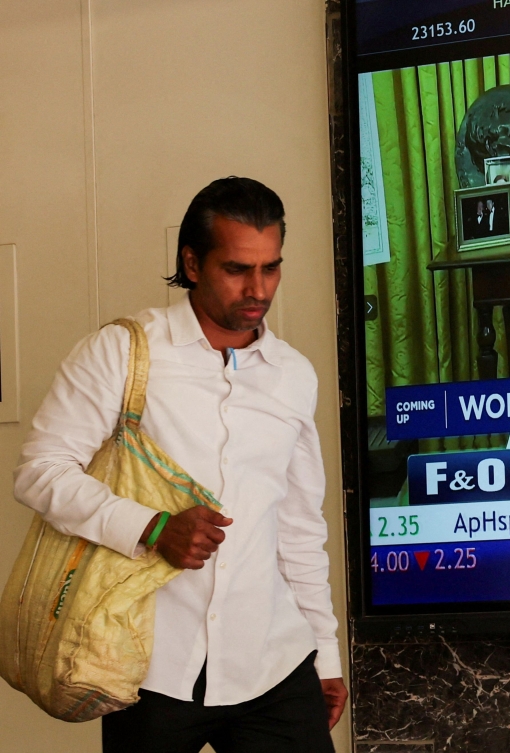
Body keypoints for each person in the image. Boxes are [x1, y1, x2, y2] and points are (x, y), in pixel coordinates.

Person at [13, 177, 348, 752]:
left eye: (271, 268)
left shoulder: (293, 374)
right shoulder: (124, 352)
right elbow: (40, 470)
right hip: (148, 667)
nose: (258, 288)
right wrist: (152, 527)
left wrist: (326, 652)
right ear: (192, 263)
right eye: (237, 269)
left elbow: (298, 527)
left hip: (273, 662)